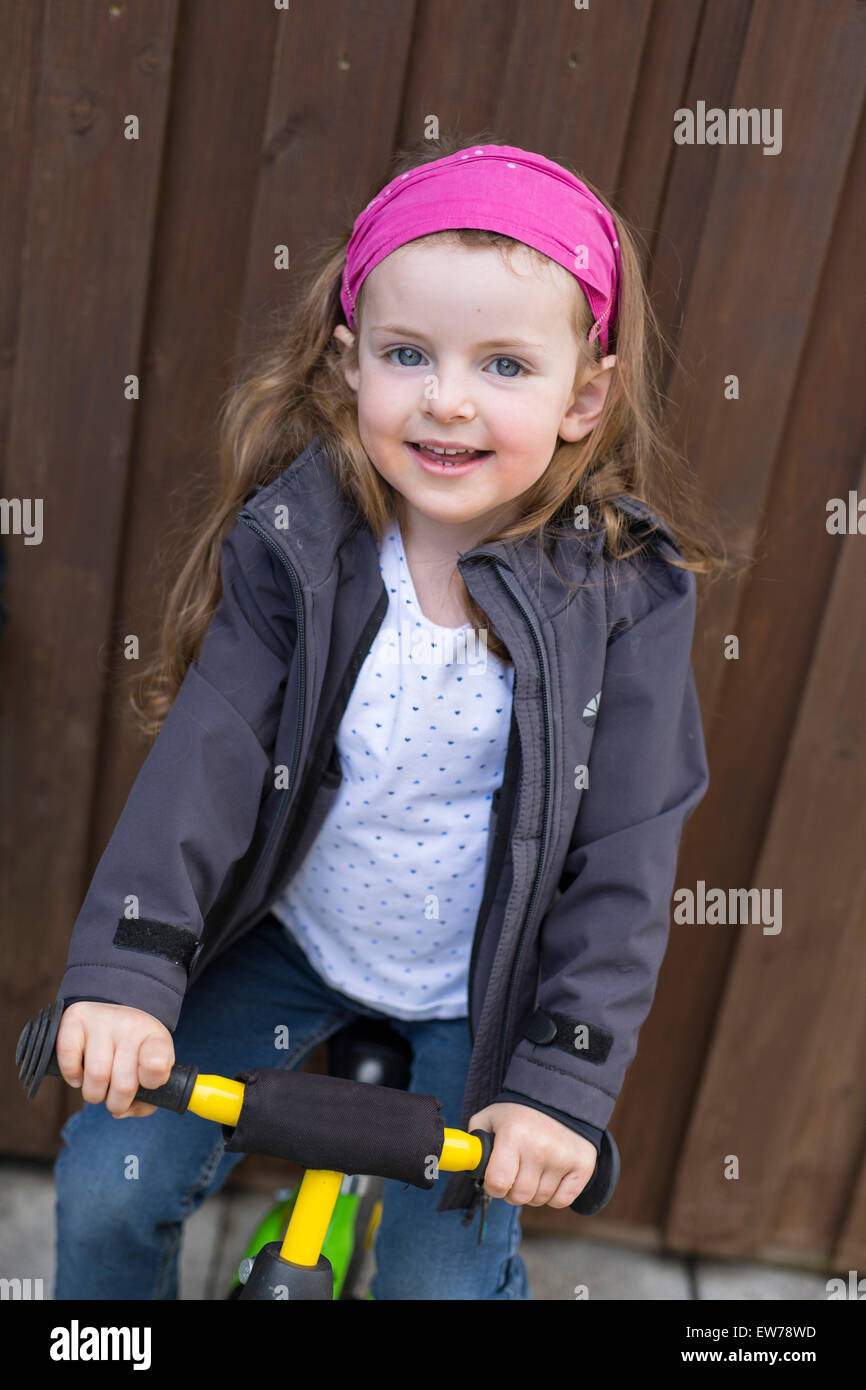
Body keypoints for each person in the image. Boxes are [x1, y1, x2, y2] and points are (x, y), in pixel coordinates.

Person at [52, 133, 723, 1301]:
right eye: (409, 354)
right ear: (349, 366)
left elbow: (623, 858)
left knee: (441, 1284)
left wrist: (556, 1087)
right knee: (109, 1181)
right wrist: (126, 974)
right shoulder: (301, 547)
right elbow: (202, 762)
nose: (447, 401)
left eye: (504, 366)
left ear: (585, 395)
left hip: (483, 995)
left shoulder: (622, 598)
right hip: (291, 941)